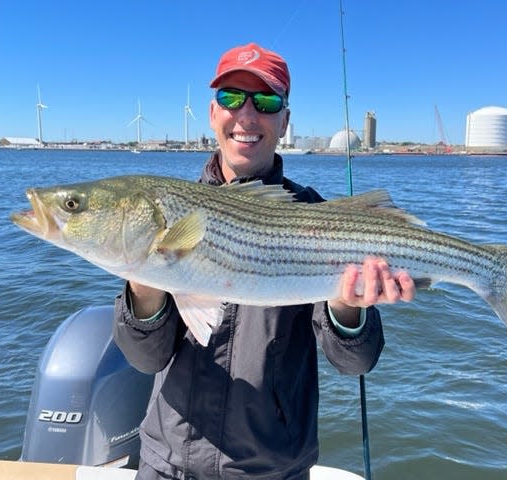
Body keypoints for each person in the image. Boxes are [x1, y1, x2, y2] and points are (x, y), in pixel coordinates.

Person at [114, 42, 416, 480]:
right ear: (213, 113)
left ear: (286, 121)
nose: (247, 115)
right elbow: (145, 360)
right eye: (231, 97)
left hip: (273, 469)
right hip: (167, 465)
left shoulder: (317, 214)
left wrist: (349, 309)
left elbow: (355, 364)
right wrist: (144, 287)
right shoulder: (166, 211)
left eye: (267, 101)